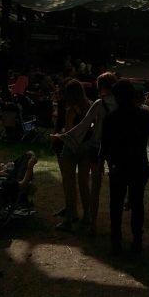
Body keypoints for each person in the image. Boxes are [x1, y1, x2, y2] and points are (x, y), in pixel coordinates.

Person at [100, 78, 149, 255]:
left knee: (116, 205)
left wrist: (103, 164)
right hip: (138, 164)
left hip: (118, 166)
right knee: (137, 203)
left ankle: (116, 241)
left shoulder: (112, 118)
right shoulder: (145, 115)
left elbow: (105, 146)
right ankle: (137, 240)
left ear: (117, 97)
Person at [58, 71, 117, 234]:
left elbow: (84, 125)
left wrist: (64, 136)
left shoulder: (99, 104)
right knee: (100, 186)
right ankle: (95, 220)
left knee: (91, 186)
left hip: (95, 148)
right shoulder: (119, 104)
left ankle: (91, 223)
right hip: (114, 149)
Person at [51, 79, 93, 232]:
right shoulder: (90, 105)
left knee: (69, 183)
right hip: (86, 148)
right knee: (84, 184)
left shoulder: (71, 111)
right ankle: (87, 215)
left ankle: (69, 218)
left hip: (71, 149)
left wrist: (57, 135)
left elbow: (69, 133)